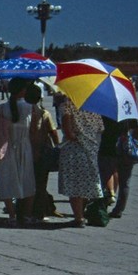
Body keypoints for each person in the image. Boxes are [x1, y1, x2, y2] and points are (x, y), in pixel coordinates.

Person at [0, 77, 35, 226]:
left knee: (7, 180)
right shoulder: (30, 106)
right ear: (23, 90)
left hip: (6, 147)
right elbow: (34, 130)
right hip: (24, 146)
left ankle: (12, 215)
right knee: (27, 180)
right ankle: (27, 215)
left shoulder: (2, 107)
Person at [57, 92, 105, 227]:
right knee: (87, 183)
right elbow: (100, 129)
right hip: (91, 148)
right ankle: (82, 213)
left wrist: (75, 136)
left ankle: (79, 217)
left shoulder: (67, 106)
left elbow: (67, 131)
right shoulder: (94, 108)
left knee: (74, 185)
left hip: (74, 149)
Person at [25, 84, 61, 220]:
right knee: (40, 184)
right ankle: (39, 212)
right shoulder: (45, 114)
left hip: (26, 151)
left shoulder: (22, 114)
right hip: (42, 152)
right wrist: (58, 147)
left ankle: (25, 209)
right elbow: (53, 133)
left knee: (26, 182)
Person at [109, 118, 138, 219]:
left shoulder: (110, 115)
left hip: (114, 150)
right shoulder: (131, 115)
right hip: (128, 153)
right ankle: (119, 209)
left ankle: (107, 201)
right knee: (125, 182)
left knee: (108, 175)